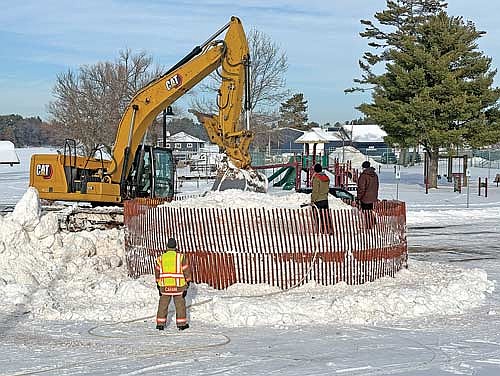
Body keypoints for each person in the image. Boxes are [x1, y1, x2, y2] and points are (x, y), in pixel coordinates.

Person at [155, 237, 192, 331]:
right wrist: (187, 282)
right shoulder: (180, 257)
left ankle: (160, 324)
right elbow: (186, 270)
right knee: (180, 306)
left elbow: (157, 272)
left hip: (165, 286)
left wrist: (158, 283)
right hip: (178, 286)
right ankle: (181, 325)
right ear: (176, 246)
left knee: (163, 305)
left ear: (167, 246)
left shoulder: (160, 258)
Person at [357, 161, 379, 228]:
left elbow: (361, 188)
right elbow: (377, 185)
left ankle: (369, 224)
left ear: (363, 167)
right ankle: (373, 221)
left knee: (366, 212)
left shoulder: (363, 176)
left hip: (365, 198)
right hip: (373, 197)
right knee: (369, 210)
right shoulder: (374, 175)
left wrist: (359, 197)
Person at [311, 163, 332, 233]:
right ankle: (329, 229)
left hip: (318, 200)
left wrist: (313, 200)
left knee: (318, 217)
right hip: (325, 199)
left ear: (315, 170)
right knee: (326, 215)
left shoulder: (316, 178)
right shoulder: (326, 177)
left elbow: (315, 191)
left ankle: (322, 230)